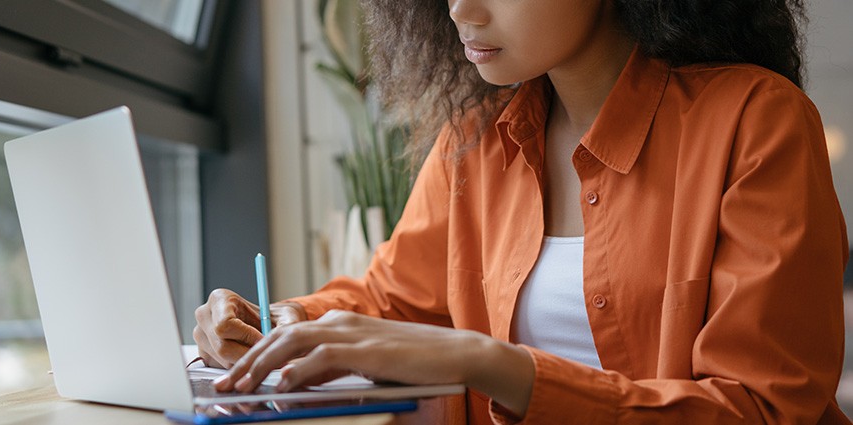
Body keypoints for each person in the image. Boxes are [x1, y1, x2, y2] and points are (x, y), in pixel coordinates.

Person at [194, 0, 850, 423]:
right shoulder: (473, 143)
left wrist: (492, 364)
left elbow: (763, 409)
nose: (460, 9)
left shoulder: (758, 122)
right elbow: (391, 300)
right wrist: (285, 321)